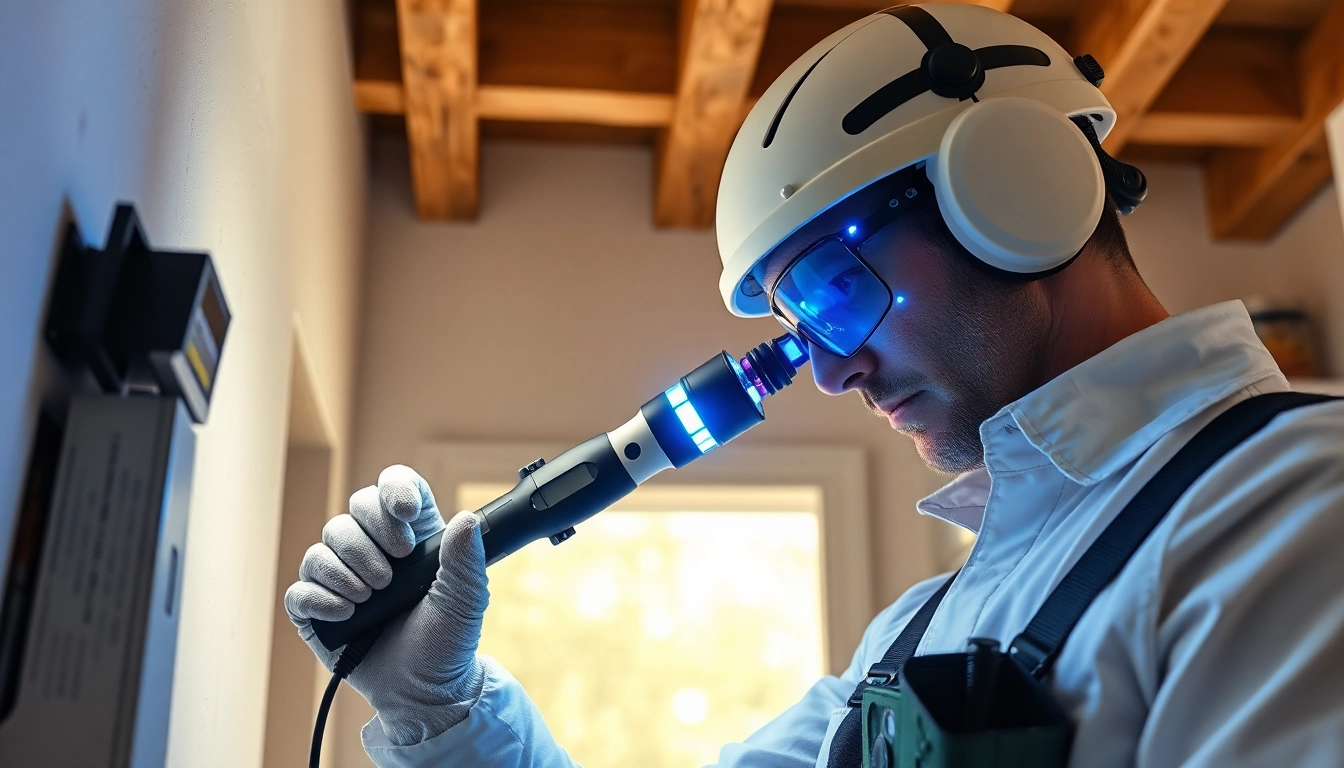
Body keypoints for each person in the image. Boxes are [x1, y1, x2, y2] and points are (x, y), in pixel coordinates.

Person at [284, 4, 1344, 766]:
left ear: (1017, 192)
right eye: (800, 331)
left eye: (839, 293)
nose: (831, 371)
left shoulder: (1295, 505)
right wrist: (441, 710)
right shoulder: (919, 635)